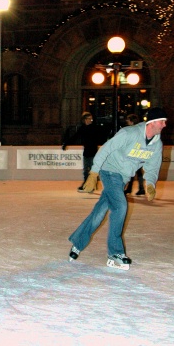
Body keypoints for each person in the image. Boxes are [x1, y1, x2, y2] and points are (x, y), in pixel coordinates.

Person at [68, 107, 167, 270]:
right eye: (162, 122)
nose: (164, 125)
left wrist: (150, 184)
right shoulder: (129, 134)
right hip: (110, 171)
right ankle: (115, 252)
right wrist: (94, 172)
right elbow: (106, 149)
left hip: (123, 178)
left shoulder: (156, 144)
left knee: (100, 212)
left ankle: (77, 243)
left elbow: (153, 166)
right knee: (120, 206)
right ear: (152, 122)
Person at [62, 112, 99, 192]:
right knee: (86, 170)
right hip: (86, 152)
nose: (91, 120)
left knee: (93, 170)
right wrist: (66, 143)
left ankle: (91, 186)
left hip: (93, 152)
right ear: (85, 119)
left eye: (91, 119)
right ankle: (86, 185)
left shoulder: (94, 128)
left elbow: (99, 138)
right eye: (89, 119)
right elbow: (75, 136)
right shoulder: (83, 128)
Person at [124, 114, 145, 195]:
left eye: (128, 120)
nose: (127, 121)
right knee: (136, 171)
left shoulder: (133, 130)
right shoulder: (139, 129)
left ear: (132, 122)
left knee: (134, 171)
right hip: (137, 153)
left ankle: (136, 188)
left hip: (135, 153)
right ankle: (135, 188)